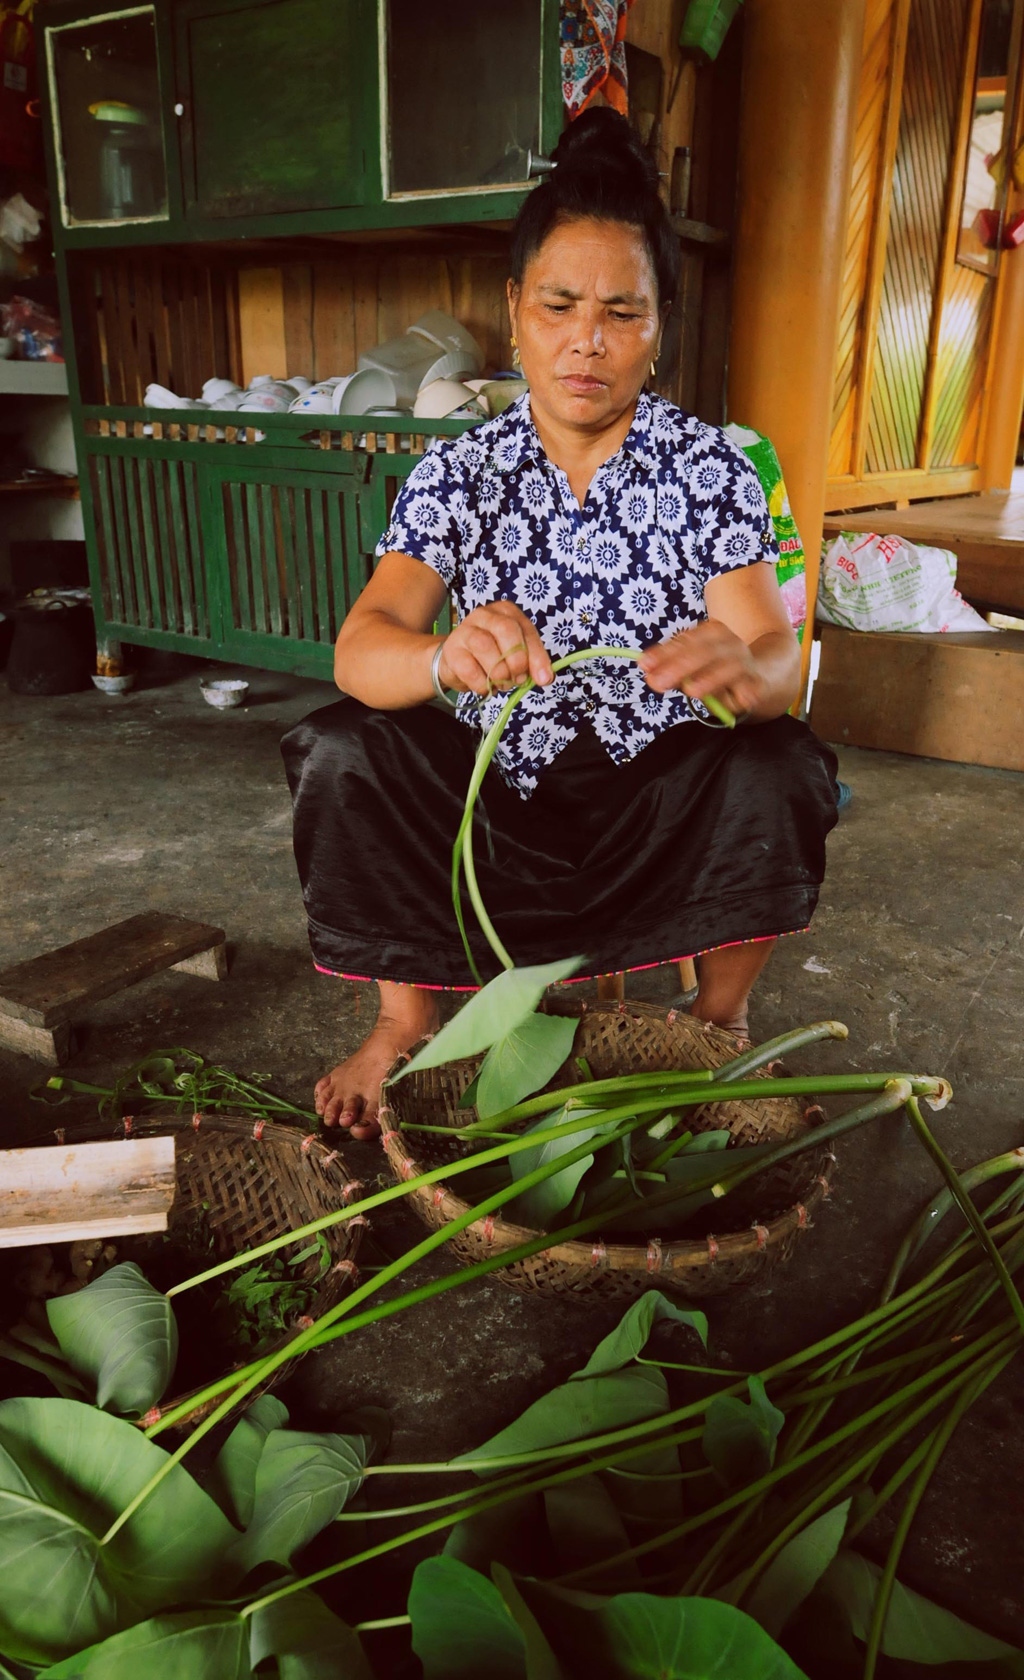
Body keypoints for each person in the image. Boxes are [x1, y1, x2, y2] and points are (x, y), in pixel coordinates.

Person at [282, 109, 839, 1140]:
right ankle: (402, 1021)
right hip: (499, 791)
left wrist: (746, 673)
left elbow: (776, 655)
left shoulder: (710, 464)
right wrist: (442, 656)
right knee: (340, 748)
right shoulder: (461, 469)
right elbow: (362, 647)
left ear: (662, 321)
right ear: (514, 309)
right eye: (559, 305)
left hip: (654, 793)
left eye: (624, 312)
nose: (588, 339)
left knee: (783, 763)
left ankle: (716, 1013)